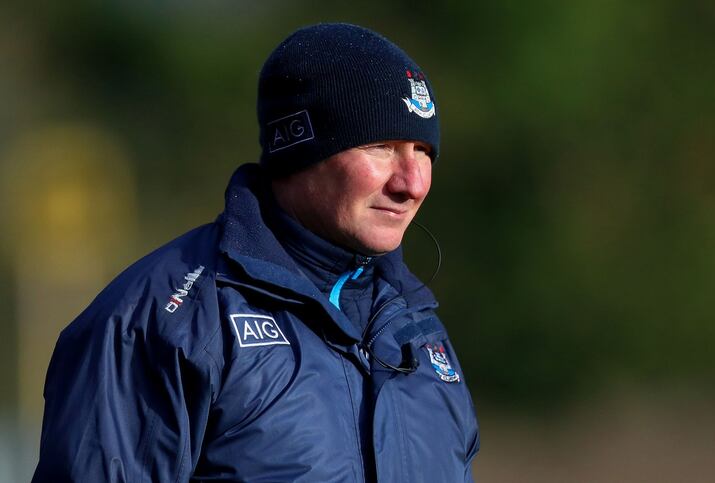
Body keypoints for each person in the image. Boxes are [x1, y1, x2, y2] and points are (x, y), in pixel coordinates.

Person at [33, 23, 479, 482]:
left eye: (423, 151)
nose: (413, 183)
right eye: (381, 146)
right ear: (299, 145)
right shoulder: (160, 322)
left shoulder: (421, 338)